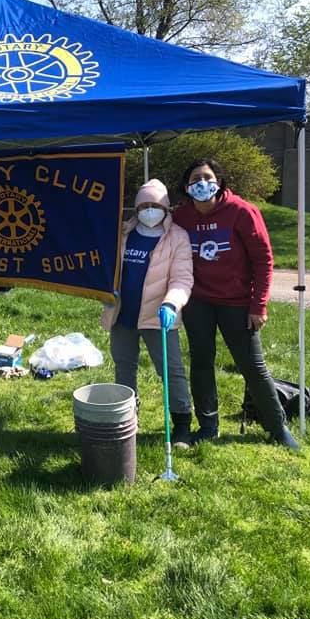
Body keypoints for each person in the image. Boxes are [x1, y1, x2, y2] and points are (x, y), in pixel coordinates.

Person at [172, 158, 299, 451]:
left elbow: (263, 260)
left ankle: (277, 427)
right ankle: (208, 426)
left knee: (252, 366)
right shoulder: (181, 216)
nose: (202, 183)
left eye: (207, 176)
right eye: (195, 179)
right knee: (201, 363)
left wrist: (259, 305)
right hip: (198, 302)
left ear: (219, 181)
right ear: (186, 186)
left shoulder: (241, 212)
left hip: (238, 304)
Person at [101, 179, 194, 446]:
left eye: (155, 205)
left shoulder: (177, 237)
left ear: (165, 208)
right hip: (122, 316)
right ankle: (128, 418)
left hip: (159, 317)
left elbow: (182, 279)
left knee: (171, 371)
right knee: (124, 368)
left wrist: (172, 303)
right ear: (136, 208)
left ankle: (182, 424)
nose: (150, 210)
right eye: (144, 205)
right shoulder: (123, 233)